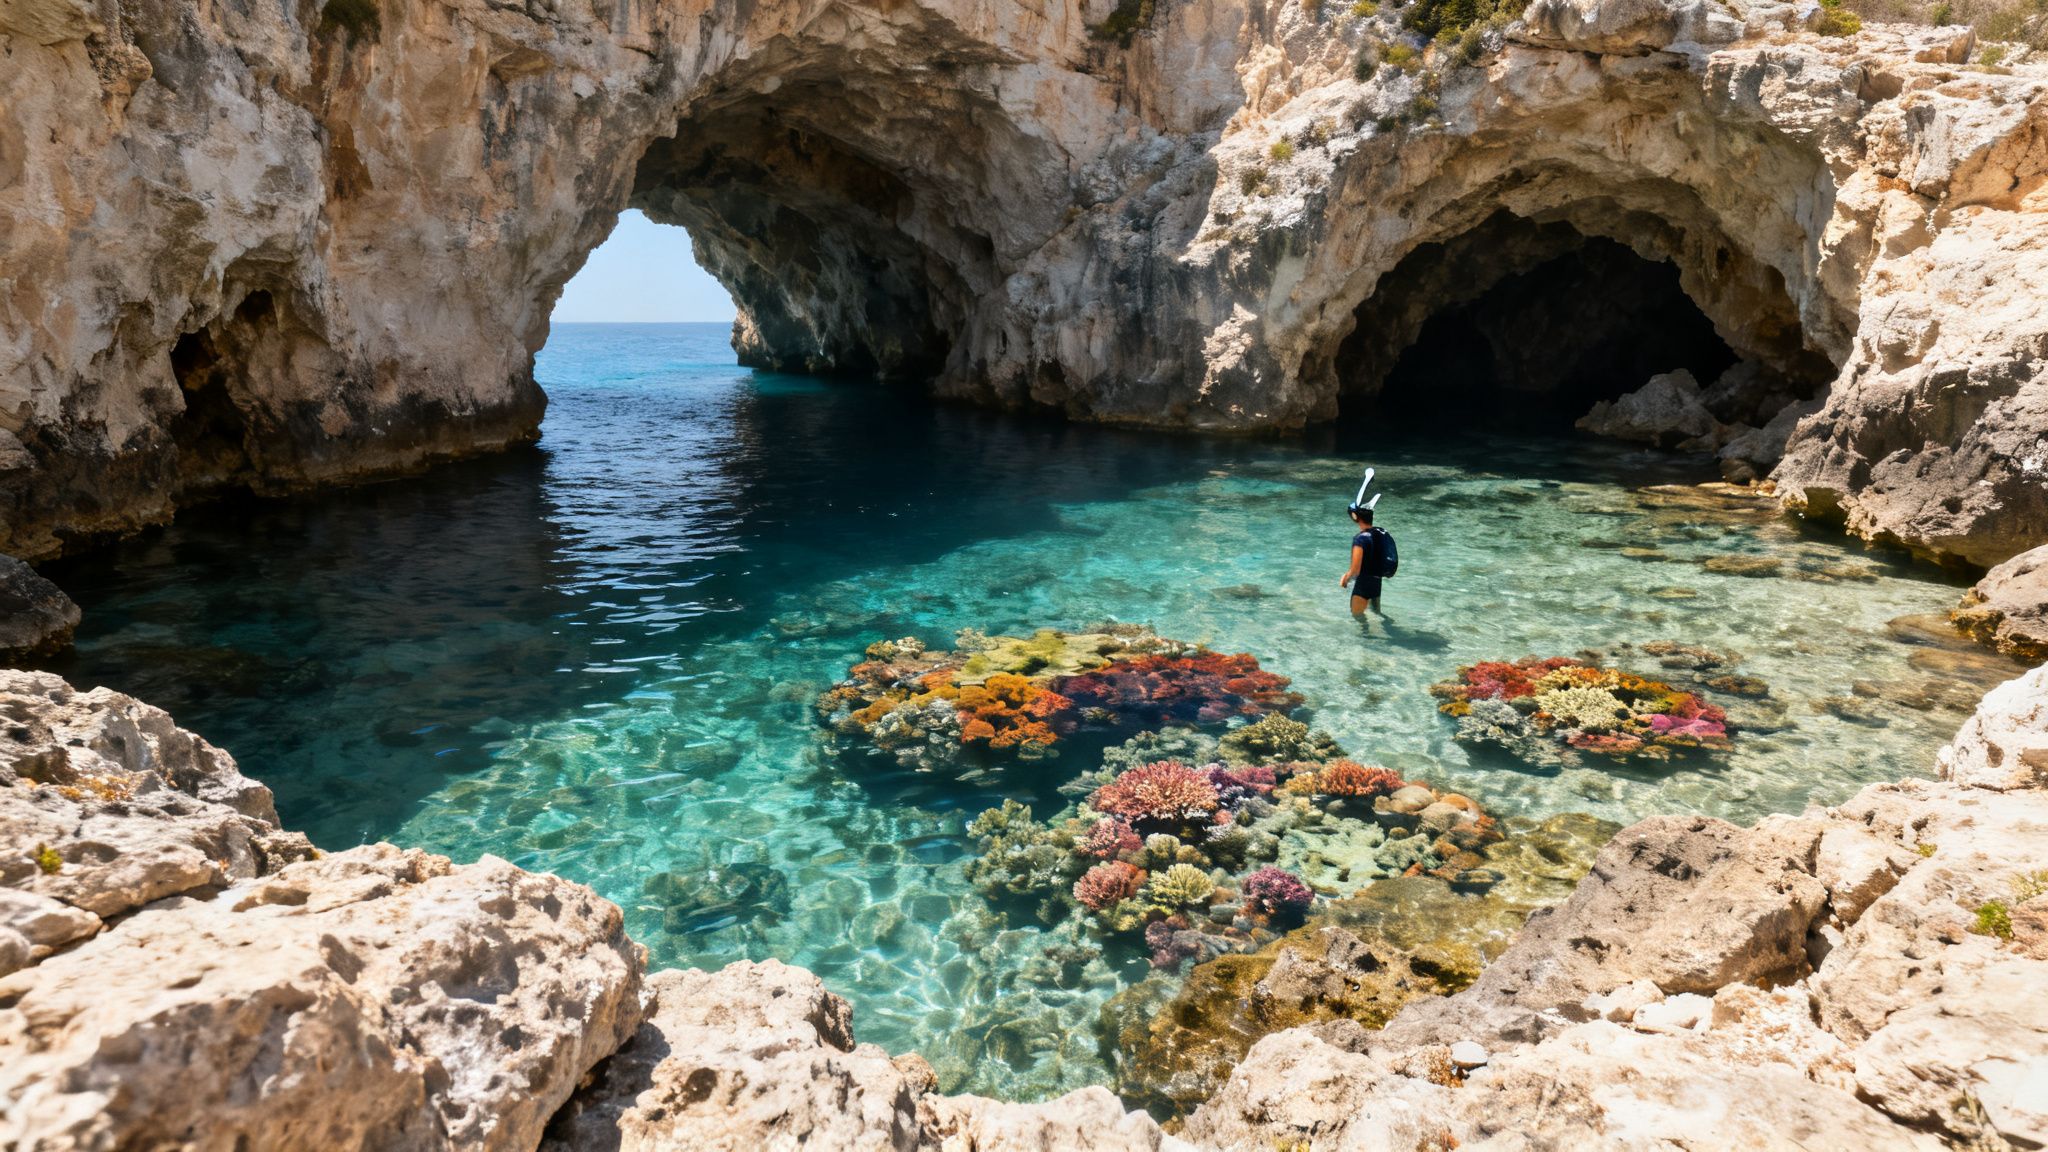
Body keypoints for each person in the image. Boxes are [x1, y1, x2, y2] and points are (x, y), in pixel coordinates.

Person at [1339, 505, 1394, 617]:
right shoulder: (1380, 533)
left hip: (1363, 585)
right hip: (1377, 583)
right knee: (1377, 614)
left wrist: (1345, 579)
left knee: (1358, 618)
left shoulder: (1360, 539)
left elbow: (1355, 571)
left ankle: (1367, 634)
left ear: (1355, 516)